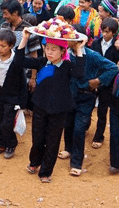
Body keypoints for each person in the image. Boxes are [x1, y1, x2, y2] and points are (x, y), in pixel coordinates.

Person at [23, 30, 86, 182]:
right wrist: (24, 39)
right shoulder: (41, 62)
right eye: (47, 48)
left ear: (62, 51)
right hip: (40, 106)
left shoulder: (67, 66)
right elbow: (19, 61)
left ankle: (45, 171)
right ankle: (34, 162)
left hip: (59, 109)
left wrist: (78, 48)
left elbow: (80, 73)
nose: (49, 52)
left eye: (54, 49)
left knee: (53, 140)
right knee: (37, 138)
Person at [61, 43, 119, 176]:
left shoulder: (92, 55)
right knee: (68, 123)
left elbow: (113, 68)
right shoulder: (66, 53)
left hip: (86, 96)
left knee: (79, 128)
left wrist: (98, 81)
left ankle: (76, 162)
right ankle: (68, 149)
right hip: (69, 94)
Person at [0, 29, 27, 159]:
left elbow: (22, 82)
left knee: (7, 123)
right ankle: (1, 143)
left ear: (11, 46)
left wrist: (22, 102)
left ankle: (11, 144)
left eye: (3, 46)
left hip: (12, 96)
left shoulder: (16, 60)